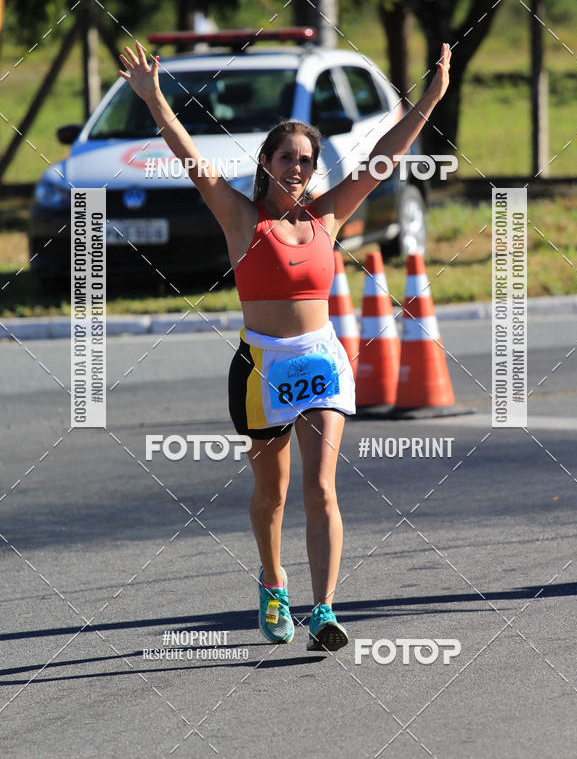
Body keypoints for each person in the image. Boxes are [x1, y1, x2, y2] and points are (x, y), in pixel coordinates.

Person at [119, 41, 451, 651]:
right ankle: (274, 582)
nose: (296, 168)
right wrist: (153, 98)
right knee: (271, 493)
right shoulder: (242, 219)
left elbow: (382, 158)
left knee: (321, 487)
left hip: (321, 361)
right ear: (266, 163)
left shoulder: (327, 218)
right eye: (286, 158)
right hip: (262, 367)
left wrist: (428, 101)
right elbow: (191, 157)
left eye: (306, 160)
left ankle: (323, 609)